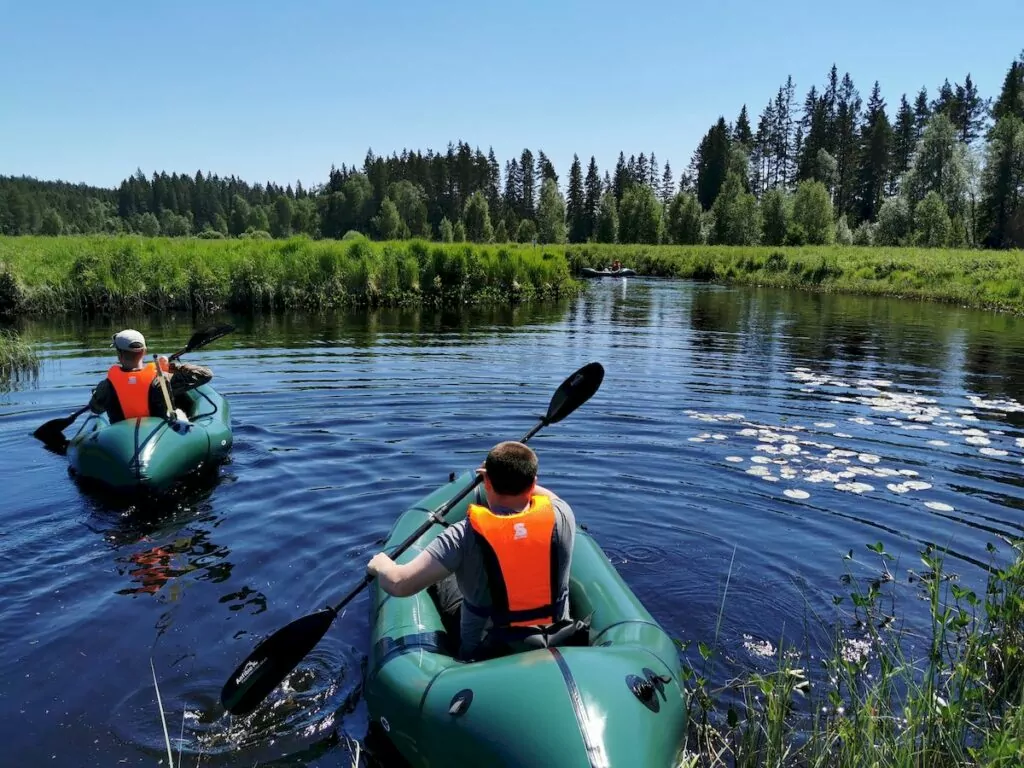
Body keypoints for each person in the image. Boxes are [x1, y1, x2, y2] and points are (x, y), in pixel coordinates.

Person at [366, 440, 583, 661]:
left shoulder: (462, 534)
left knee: (444, 580)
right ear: (533, 482)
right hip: (553, 639)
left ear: (486, 481)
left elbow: (400, 585)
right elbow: (543, 493)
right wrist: (514, 474)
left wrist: (381, 565)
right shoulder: (562, 514)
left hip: (485, 652)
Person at [88, 329, 214, 423]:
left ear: (119, 355)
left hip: (121, 439)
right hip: (157, 436)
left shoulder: (106, 386)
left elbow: (96, 409)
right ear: (144, 352)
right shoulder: (162, 379)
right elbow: (206, 374)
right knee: (179, 412)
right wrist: (171, 367)